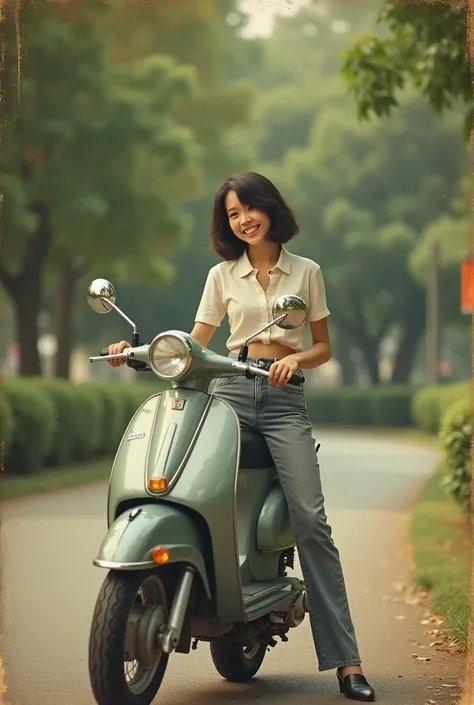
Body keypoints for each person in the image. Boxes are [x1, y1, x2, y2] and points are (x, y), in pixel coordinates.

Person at [106, 171, 376, 702]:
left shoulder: (307, 272)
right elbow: (197, 340)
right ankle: (221, 594)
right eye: (232, 213)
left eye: (250, 207)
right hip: (228, 393)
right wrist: (137, 351)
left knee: (311, 521)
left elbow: (322, 346)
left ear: (270, 208)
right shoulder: (221, 276)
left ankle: (347, 663)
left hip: (281, 401)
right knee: (196, 491)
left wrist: (294, 358)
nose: (243, 219)